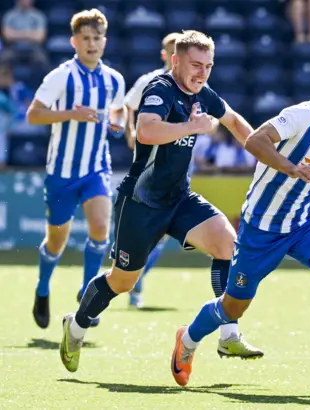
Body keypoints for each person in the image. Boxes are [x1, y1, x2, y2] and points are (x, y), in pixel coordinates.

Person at [169, 67, 310, 388]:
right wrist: (290, 167)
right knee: (234, 306)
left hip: (303, 223)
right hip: (261, 228)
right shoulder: (301, 117)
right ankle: (188, 339)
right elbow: (255, 141)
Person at [58, 30, 264, 373]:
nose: (202, 73)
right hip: (141, 202)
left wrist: (270, 156)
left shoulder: (203, 93)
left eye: (208, 66)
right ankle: (76, 325)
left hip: (179, 199)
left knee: (229, 245)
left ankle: (228, 333)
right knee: (122, 281)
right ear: (175, 60)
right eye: (196, 65)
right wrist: (191, 127)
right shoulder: (159, 88)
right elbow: (147, 131)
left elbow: (234, 122)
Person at [26, 9, 126, 329]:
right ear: (74, 42)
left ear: (104, 41)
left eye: (97, 38)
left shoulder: (114, 79)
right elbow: (34, 115)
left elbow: (120, 111)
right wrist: (72, 113)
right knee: (57, 241)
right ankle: (42, 290)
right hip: (62, 172)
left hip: (96, 168)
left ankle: (87, 296)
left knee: (100, 228)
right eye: (85, 38)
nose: (92, 44)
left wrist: (117, 125)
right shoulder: (61, 76)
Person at [122, 32, 180, 309]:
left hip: (174, 171)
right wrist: (131, 130)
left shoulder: (191, 85)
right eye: (170, 51)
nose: (174, 56)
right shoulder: (148, 81)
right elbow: (127, 106)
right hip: (147, 167)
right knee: (142, 231)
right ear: (164, 54)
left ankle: (133, 279)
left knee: (161, 235)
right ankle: (125, 279)